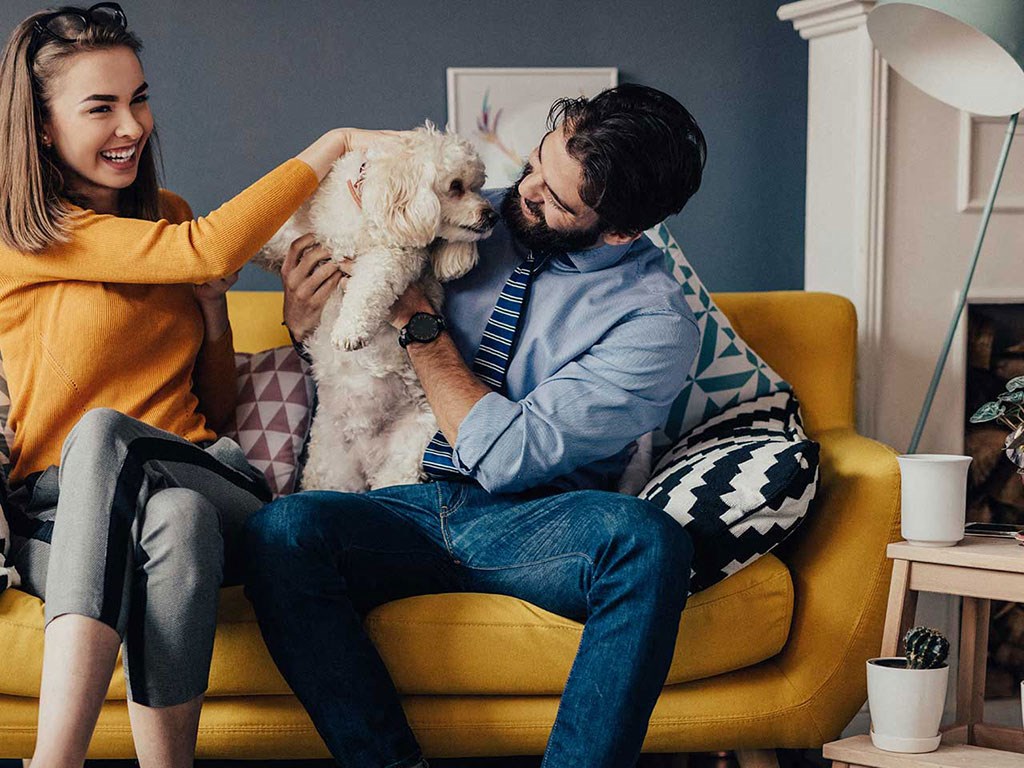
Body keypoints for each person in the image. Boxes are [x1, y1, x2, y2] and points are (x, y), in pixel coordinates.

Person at [244, 83, 708, 768]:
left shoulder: (654, 324)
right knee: (281, 532)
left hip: (529, 522)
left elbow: (506, 457)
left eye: (556, 199)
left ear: (622, 230)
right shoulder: (457, 210)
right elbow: (346, 297)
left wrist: (415, 320)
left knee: (648, 542)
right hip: (397, 504)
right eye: (537, 167)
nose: (523, 195)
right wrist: (306, 316)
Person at [0, 5, 383, 766]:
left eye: (138, 98)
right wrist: (333, 143)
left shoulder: (167, 223)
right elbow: (207, 246)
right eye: (100, 107)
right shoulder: (27, 236)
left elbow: (216, 410)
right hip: (58, 508)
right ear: (43, 128)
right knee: (172, 520)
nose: (131, 125)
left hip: (209, 472)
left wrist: (213, 314)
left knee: (116, 439)